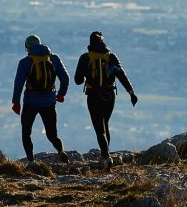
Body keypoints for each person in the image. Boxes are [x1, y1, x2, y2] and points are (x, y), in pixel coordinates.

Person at [74, 31, 137, 170]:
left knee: (99, 128)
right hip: (109, 96)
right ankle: (105, 156)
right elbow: (122, 75)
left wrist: (87, 75)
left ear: (90, 43)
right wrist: (131, 93)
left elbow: (77, 80)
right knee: (105, 124)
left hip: (94, 96)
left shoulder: (85, 57)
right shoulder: (111, 56)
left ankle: (106, 157)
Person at [11, 34, 70, 163]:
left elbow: (18, 84)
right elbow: (65, 79)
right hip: (49, 102)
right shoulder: (54, 59)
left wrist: (16, 102)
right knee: (52, 134)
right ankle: (61, 151)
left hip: (30, 102)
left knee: (26, 133)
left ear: (28, 48)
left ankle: (31, 162)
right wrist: (61, 94)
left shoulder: (25, 62)